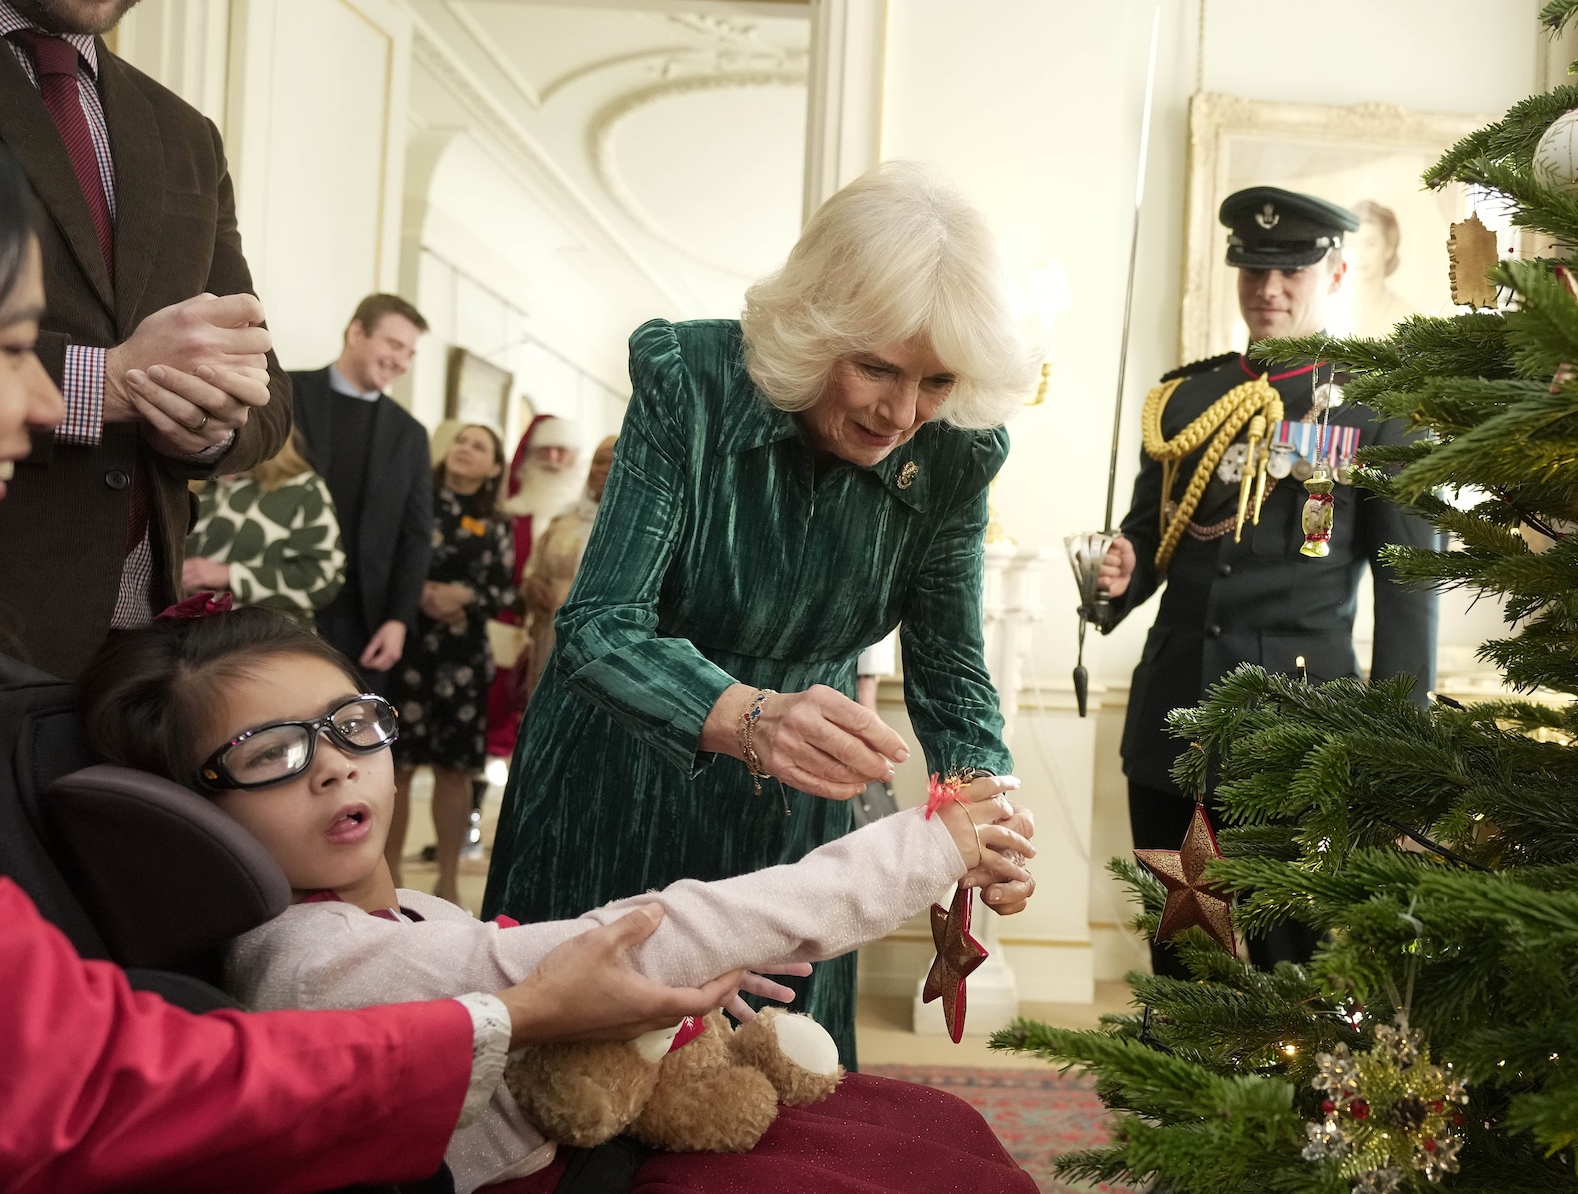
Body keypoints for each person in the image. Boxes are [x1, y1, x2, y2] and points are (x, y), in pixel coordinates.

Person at [0, 72, 745, 1194]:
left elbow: (83, 1058)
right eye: (9, 349)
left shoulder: (175, 137)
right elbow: (82, 1083)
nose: (45, 408)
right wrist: (520, 1020)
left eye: (350, 732)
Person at [78, 605, 1092, 1194]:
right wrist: (919, 856)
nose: (335, 768)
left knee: (910, 1135)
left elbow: (568, 995)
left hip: (583, 1166)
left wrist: (676, 998)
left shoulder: (400, 918)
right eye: (270, 753)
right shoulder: (312, 961)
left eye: (351, 725)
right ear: (197, 812)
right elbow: (634, 939)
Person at [484, 162, 1043, 1067]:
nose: (904, 413)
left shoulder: (955, 454)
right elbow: (598, 625)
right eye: (876, 369)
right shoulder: (693, 383)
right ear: (817, 329)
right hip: (616, 779)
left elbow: (951, 668)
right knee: (579, 1087)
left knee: (777, 1087)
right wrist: (749, 714)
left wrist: (986, 801)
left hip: (793, 815)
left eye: (936, 380)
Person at [0, 0, 290, 679]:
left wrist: (201, 422)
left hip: (137, 663)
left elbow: (267, 396)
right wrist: (99, 383)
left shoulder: (188, 135)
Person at [1095, 186, 1438, 972]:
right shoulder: (1187, 397)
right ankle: (1181, 1099)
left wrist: (1398, 750)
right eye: (1253, 269)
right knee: (1183, 951)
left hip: (1296, 729)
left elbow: (1407, 592)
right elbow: (1155, 537)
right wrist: (1119, 571)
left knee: (1293, 961)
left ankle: (1295, 1102)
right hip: (1173, 717)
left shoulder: (1381, 412)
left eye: (1291, 271)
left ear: (1339, 272)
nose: (1269, 290)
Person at [386, 420, 518, 902]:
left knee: (454, 769)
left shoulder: (497, 522)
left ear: (494, 467)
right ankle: (391, 874)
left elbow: (506, 588)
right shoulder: (416, 496)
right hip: (408, 649)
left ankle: (446, 876)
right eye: (461, 441)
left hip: (462, 659)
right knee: (396, 767)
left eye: (478, 446)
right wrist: (416, 592)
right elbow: (389, 556)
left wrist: (464, 596)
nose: (465, 449)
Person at [290, 294, 433, 692]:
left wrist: (398, 620)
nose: (401, 361)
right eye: (394, 344)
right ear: (356, 332)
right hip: (279, 598)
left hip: (363, 621)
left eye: (410, 353)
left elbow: (416, 536)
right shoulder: (285, 391)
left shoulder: (410, 434)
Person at [485, 414, 588, 758]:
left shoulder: (587, 518)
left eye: (563, 451)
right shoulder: (508, 516)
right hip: (505, 627)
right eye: (546, 451)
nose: (554, 460)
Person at [181, 430, 344, 626]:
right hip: (186, 638)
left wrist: (231, 575)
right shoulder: (190, 482)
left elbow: (323, 580)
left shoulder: (303, 489)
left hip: (264, 639)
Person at [519, 429, 616, 694]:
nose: (603, 469)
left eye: (614, 460)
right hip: (549, 634)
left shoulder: (635, 527)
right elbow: (535, 568)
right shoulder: (565, 519)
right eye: (598, 461)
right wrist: (533, 585)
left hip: (601, 642)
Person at [1347, 199, 1416, 338]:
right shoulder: (1329, 312)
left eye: (1370, 244)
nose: (1360, 254)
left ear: (1388, 248)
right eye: (1353, 244)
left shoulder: (1405, 317)